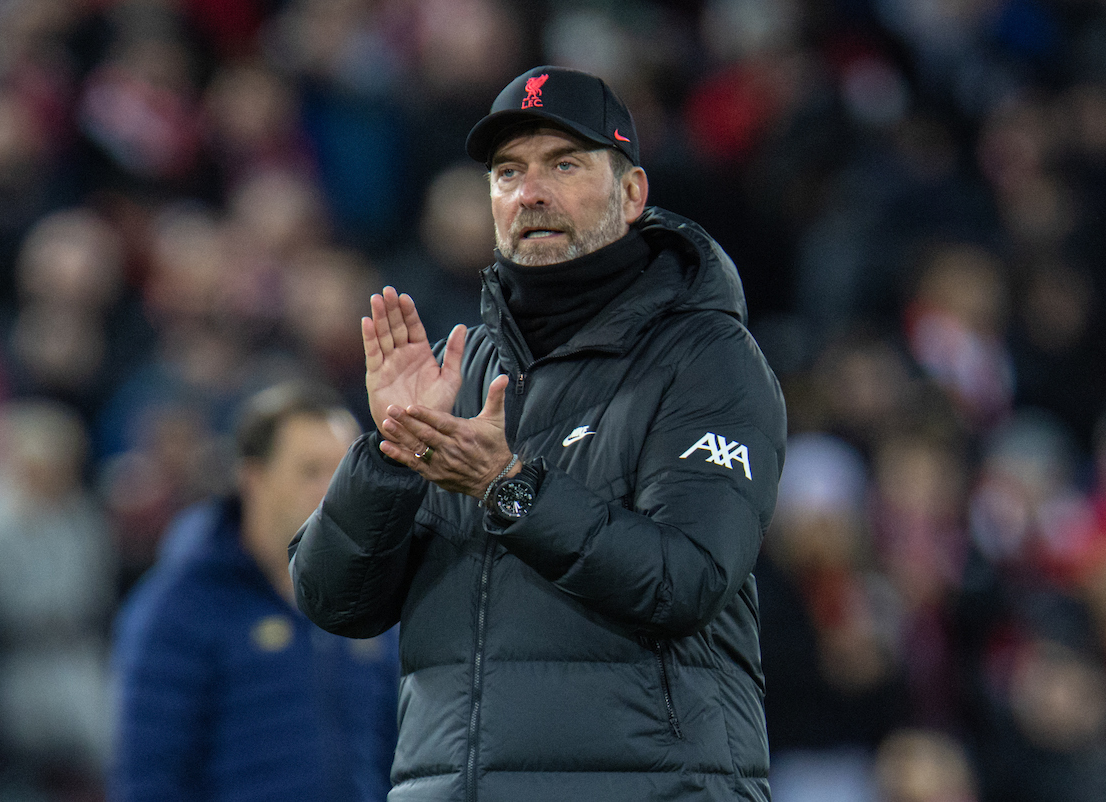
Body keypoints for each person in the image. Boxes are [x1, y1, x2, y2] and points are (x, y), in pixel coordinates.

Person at [290, 66, 788, 801]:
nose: (530, 192)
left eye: (564, 164)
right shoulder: (463, 369)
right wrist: (397, 449)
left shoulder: (706, 356)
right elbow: (333, 602)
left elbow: (686, 579)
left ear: (632, 194)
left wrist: (507, 489)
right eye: (508, 172)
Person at [111, 381, 399, 802]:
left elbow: (395, 757)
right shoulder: (180, 606)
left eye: (342, 472)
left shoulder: (371, 604)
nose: (333, 491)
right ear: (253, 477)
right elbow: (150, 774)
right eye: (310, 471)